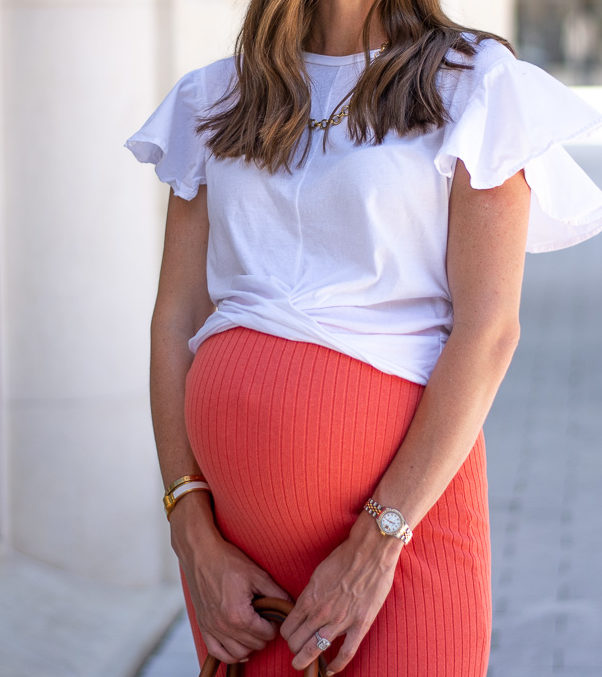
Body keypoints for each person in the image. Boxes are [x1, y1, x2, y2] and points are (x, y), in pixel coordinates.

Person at [124, 1, 602, 675]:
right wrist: (189, 529)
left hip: (401, 545)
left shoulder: (474, 86)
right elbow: (173, 322)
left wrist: (379, 540)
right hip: (236, 565)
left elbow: (489, 331)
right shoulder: (217, 96)